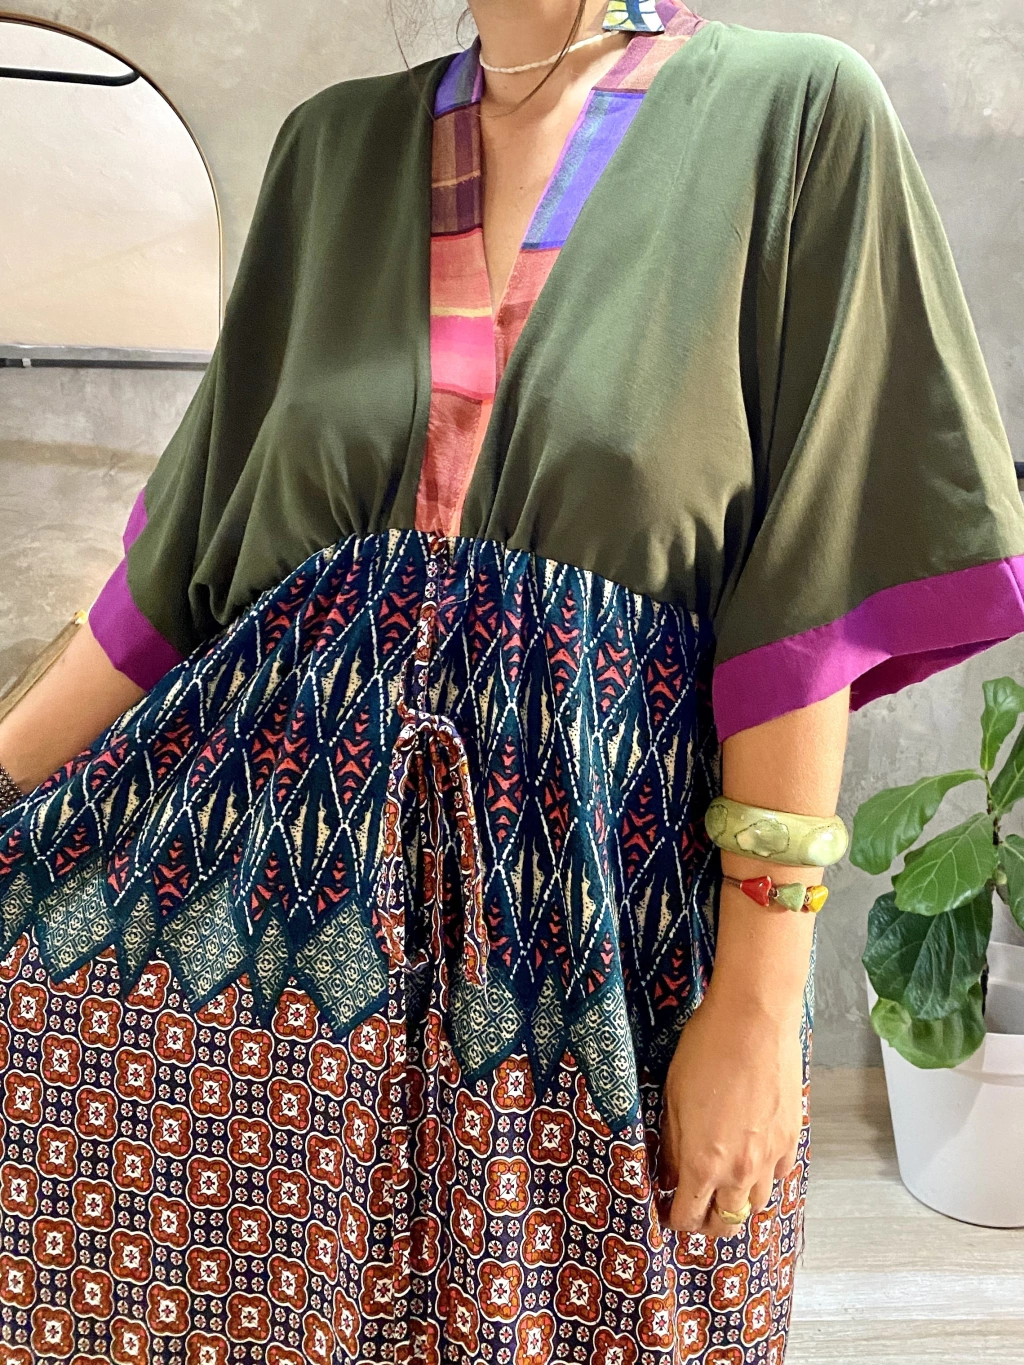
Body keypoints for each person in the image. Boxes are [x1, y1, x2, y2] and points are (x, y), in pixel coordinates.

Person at [1, 0, 1022, 1360]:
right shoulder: (333, 149)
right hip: (288, 943)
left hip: (604, 936)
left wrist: (762, 999)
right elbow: (181, 574)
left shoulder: (794, 115)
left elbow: (807, 590)